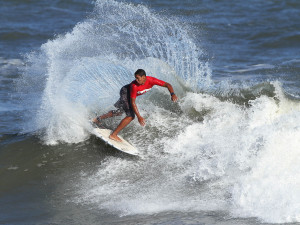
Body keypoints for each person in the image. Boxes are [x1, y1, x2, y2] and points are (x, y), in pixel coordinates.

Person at [93, 69, 178, 142]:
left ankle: (98, 119)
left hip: (126, 93)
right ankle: (114, 135)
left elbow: (167, 84)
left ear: (144, 77)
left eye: (138, 78)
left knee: (119, 112)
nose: (136, 80)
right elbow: (133, 102)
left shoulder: (152, 80)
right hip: (125, 92)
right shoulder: (134, 86)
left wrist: (172, 94)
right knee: (130, 116)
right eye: (135, 78)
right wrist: (139, 116)